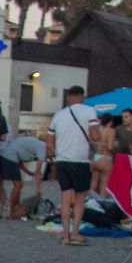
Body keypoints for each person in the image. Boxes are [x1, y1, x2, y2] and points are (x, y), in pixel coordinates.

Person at [47, 85, 98, 246]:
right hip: (80, 161)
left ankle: (66, 235)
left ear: (69, 98)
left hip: (62, 160)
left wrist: (55, 153)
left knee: (65, 197)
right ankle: (75, 232)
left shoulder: (58, 115)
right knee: (80, 199)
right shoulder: (90, 111)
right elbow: (95, 135)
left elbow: (49, 141)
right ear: (83, 97)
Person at [1, 132, 46, 220]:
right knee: (18, 185)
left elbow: (19, 156)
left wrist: (28, 172)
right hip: (10, 156)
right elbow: (38, 172)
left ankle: (14, 208)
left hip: (9, 155)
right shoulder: (43, 148)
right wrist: (38, 190)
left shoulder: (40, 146)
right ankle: (11, 210)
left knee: (18, 185)